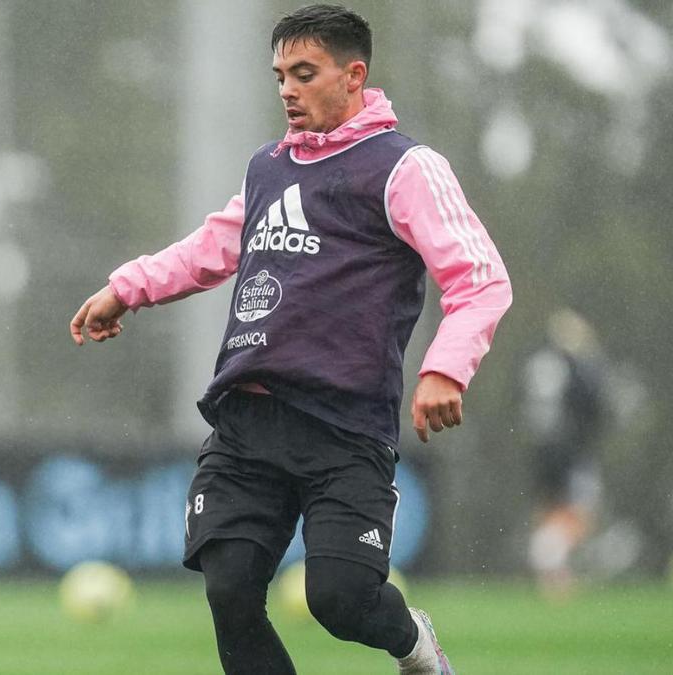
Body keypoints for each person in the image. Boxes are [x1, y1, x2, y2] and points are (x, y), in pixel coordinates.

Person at [69, 5, 511, 674]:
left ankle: (415, 645)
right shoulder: (269, 168)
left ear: (353, 74)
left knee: (340, 598)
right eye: (279, 75)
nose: (287, 89)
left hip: (343, 427)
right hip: (249, 420)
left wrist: (445, 367)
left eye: (304, 74)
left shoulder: (403, 167)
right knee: (231, 589)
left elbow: (479, 277)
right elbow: (214, 245)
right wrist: (129, 286)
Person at [523, 308, 607, 598]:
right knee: (581, 510)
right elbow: (592, 405)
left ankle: (552, 576)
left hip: (541, 448)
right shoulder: (575, 367)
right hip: (568, 449)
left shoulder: (538, 364)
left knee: (549, 509)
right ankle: (547, 556)